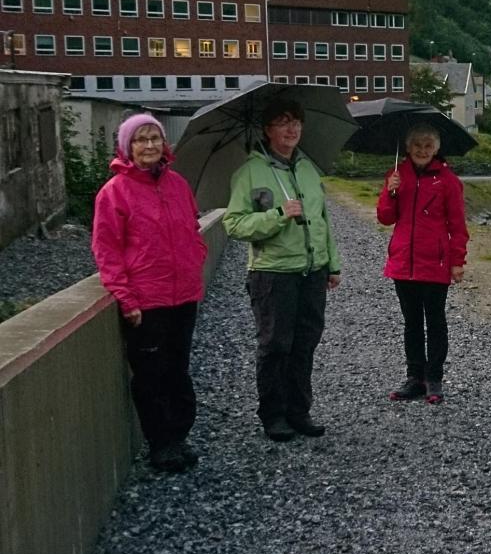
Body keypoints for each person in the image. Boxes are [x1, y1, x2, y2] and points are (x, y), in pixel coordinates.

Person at [91, 113, 208, 473]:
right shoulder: (114, 192)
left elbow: (192, 227)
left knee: (178, 369)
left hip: (183, 295)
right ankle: (160, 443)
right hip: (146, 299)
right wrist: (126, 297)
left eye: (155, 138)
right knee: (150, 374)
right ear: (127, 147)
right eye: (140, 139)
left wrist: (195, 259)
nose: (149, 145)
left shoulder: (178, 184)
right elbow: (107, 250)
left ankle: (179, 436)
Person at [222, 98, 341, 441]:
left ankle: (298, 410)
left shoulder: (307, 169)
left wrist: (332, 264)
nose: (292, 129)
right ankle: (273, 415)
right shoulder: (249, 172)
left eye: (297, 122)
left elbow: (322, 220)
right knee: (275, 345)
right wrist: (278, 215)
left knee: (305, 343)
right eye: (283, 122)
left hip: (311, 271)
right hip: (273, 273)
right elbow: (234, 224)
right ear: (267, 130)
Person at [376, 121, 468, 403]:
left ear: (436, 149)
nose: (422, 150)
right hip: (404, 261)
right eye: (417, 145)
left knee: (435, 321)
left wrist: (457, 261)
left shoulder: (448, 181)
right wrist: (390, 192)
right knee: (412, 322)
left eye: (428, 145)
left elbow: (458, 225)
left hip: (435, 262)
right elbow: (385, 218)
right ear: (408, 147)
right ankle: (415, 377)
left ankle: (434, 378)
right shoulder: (397, 175)